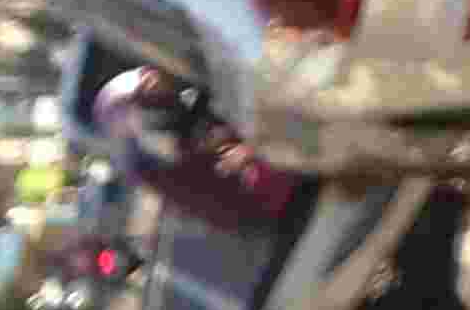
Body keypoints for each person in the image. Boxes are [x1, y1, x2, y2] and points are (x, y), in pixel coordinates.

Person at [82, 66, 304, 239]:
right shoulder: (170, 160)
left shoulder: (186, 119)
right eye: (149, 92)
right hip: (279, 192)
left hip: (278, 183)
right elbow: (229, 164)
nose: (157, 84)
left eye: (154, 83)